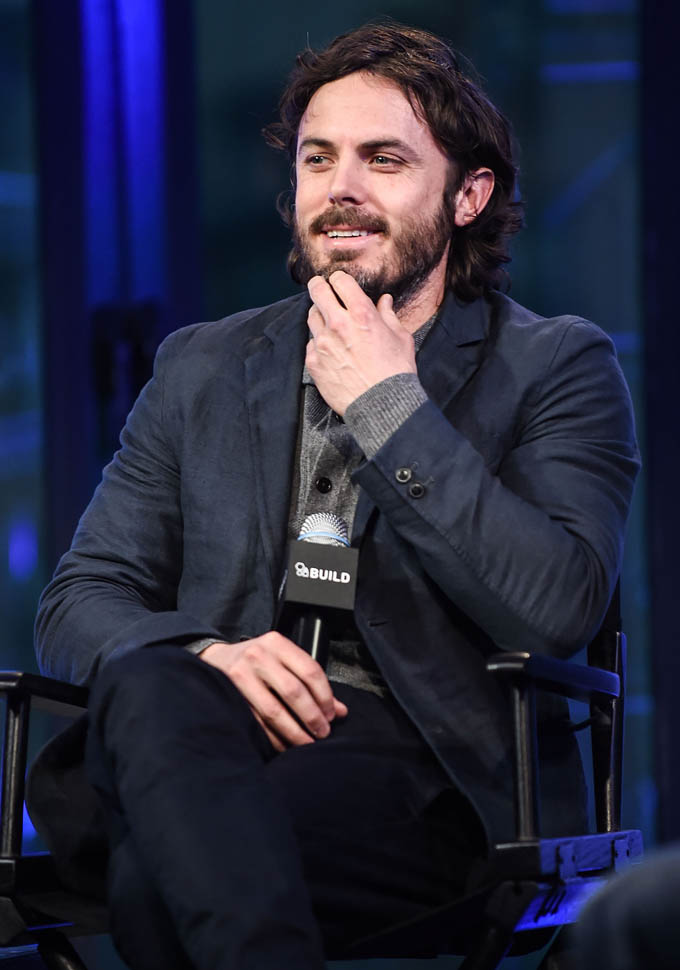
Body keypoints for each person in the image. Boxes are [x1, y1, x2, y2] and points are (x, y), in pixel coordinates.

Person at [29, 21, 640, 970]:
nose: (340, 188)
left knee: (159, 876)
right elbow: (79, 601)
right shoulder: (202, 366)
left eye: (382, 159)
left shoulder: (556, 366)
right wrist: (210, 654)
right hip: (204, 735)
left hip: (428, 777)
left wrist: (389, 406)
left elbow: (556, 606)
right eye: (319, 159)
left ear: (469, 195)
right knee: (154, 677)